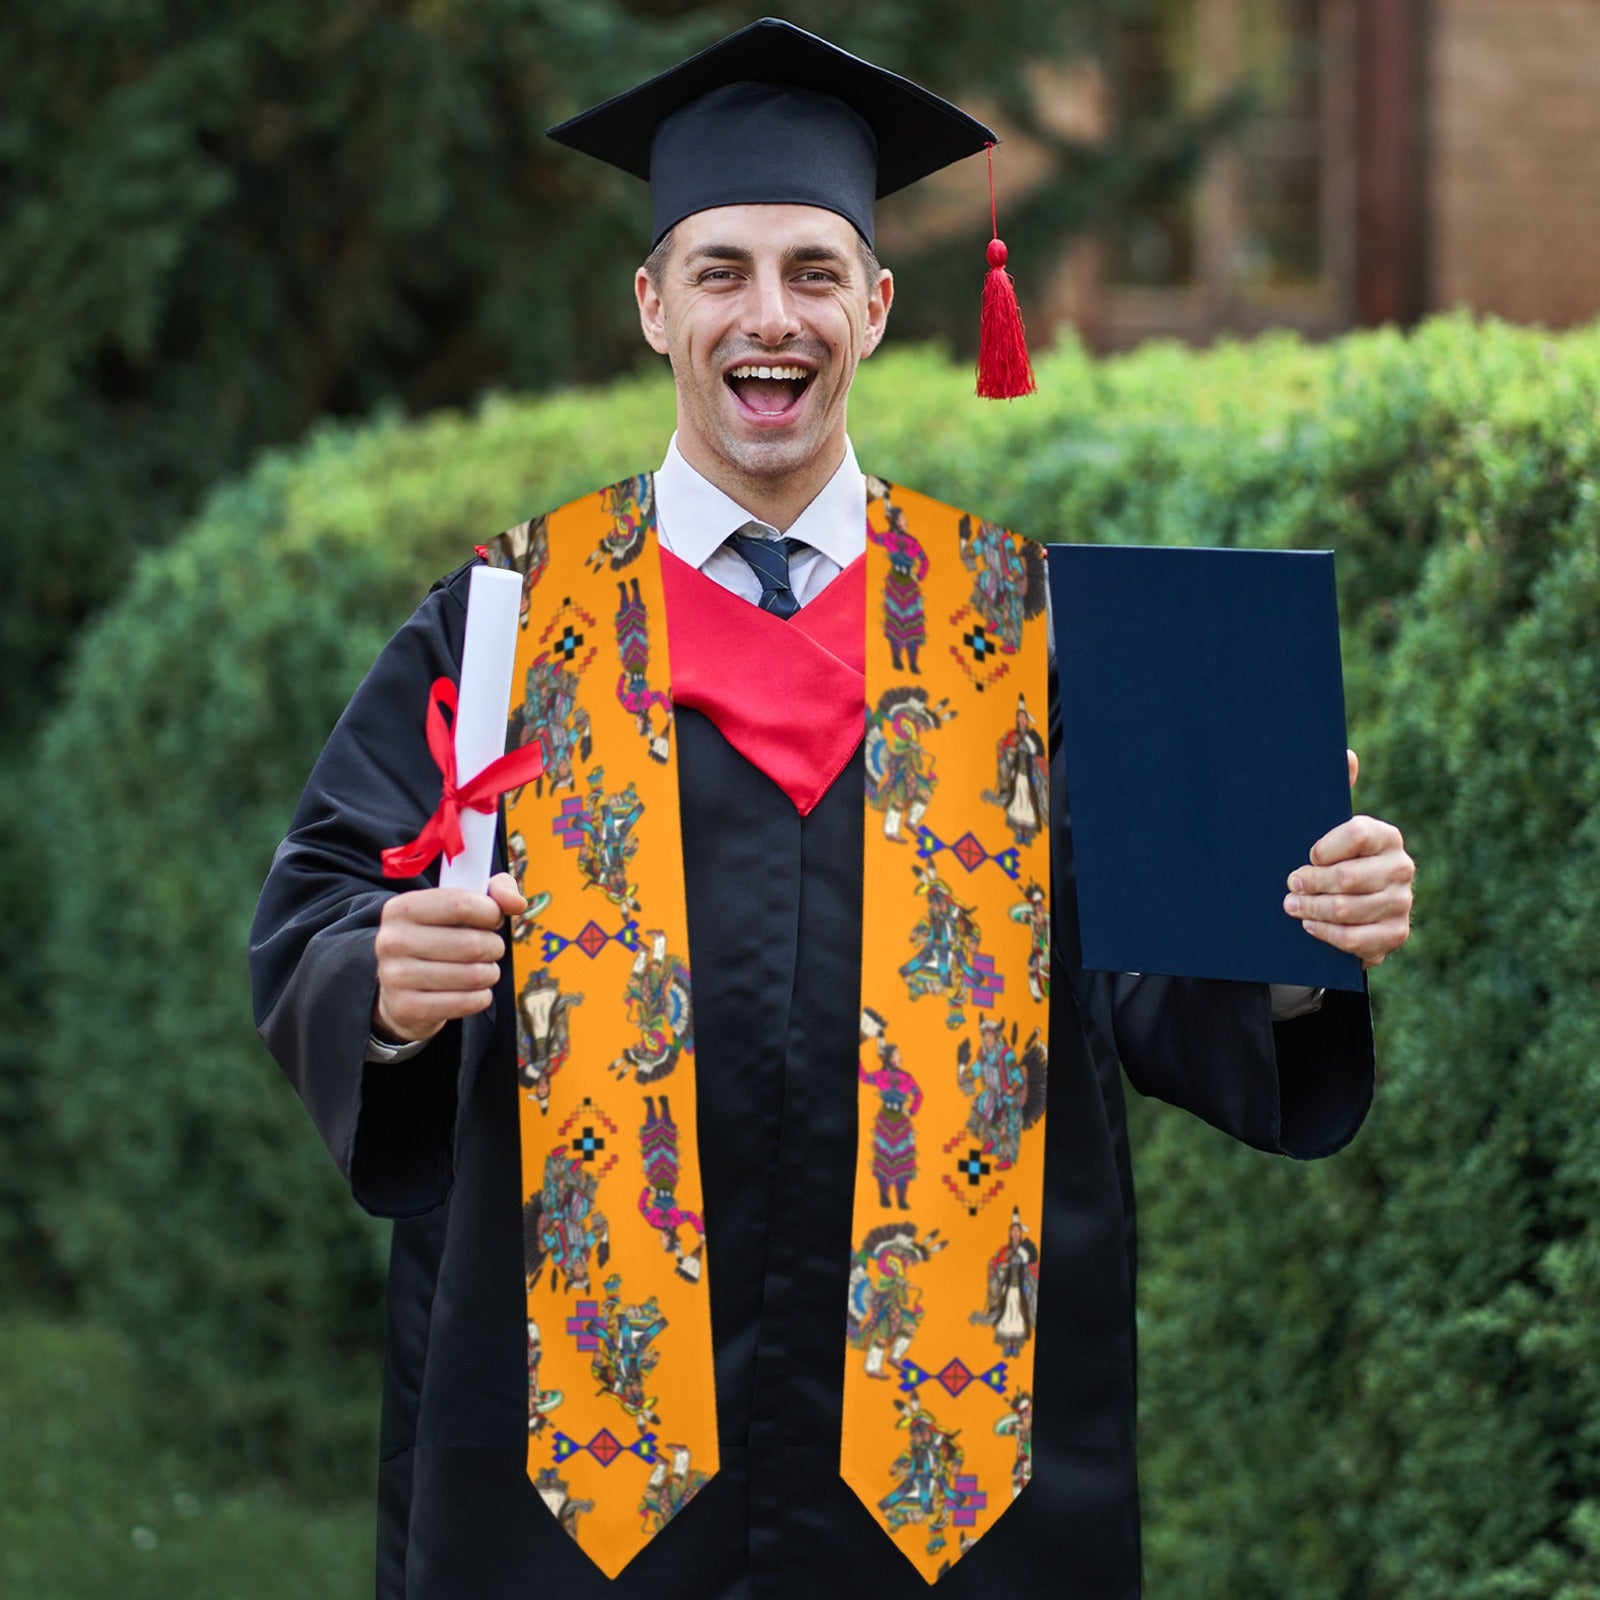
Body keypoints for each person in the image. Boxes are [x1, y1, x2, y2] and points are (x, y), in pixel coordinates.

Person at [249, 19, 1415, 1600]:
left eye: (812, 271)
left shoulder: (1029, 626)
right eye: (721, 270)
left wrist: (1293, 935)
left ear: (876, 305)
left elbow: (1149, 977)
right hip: (583, 1474)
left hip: (952, 1479)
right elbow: (323, 903)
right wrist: (379, 983)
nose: (768, 316)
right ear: (654, 304)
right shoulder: (513, 625)